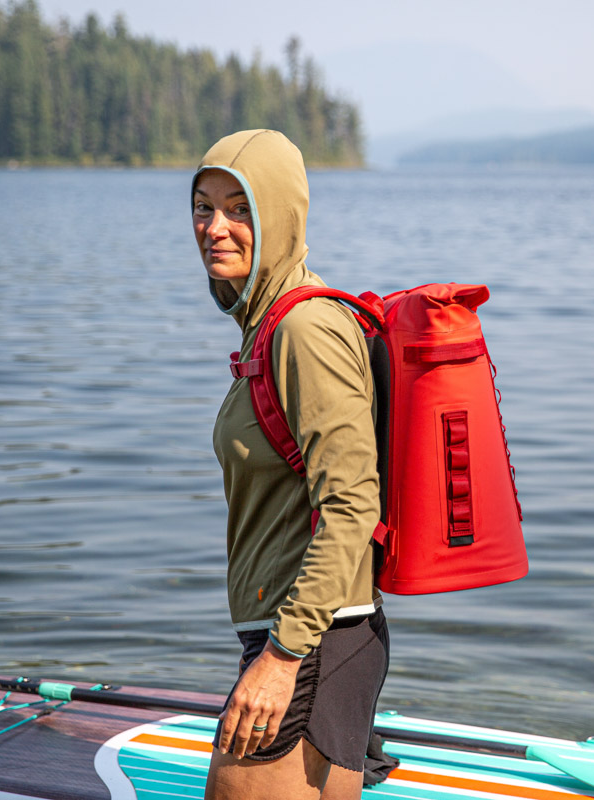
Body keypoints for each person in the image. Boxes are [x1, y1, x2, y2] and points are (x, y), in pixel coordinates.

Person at [192, 129, 390, 800]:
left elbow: (354, 504)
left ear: (279, 214)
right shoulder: (268, 324)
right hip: (319, 638)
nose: (216, 227)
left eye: (239, 208)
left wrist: (282, 658)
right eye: (203, 205)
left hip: (308, 640)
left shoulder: (305, 330)